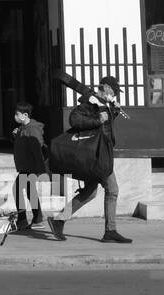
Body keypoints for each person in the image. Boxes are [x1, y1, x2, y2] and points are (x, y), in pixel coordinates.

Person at [49, 75, 133, 244]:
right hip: (95, 155)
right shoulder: (91, 102)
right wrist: (96, 120)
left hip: (102, 152)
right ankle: (110, 231)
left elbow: (106, 125)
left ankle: (59, 220)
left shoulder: (105, 105)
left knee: (89, 192)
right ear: (107, 89)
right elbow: (75, 119)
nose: (115, 94)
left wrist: (114, 110)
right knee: (113, 189)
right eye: (115, 91)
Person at [11, 101, 47, 231]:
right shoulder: (23, 128)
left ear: (25, 115)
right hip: (25, 165)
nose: (15, 116)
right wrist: (16, 135)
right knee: (30, 191)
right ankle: (36, 219)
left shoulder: (32, 129)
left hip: (30, 166)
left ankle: (23, 220)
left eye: (17, 114)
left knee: (17, 189)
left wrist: (40, 169)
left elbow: (38, 147)